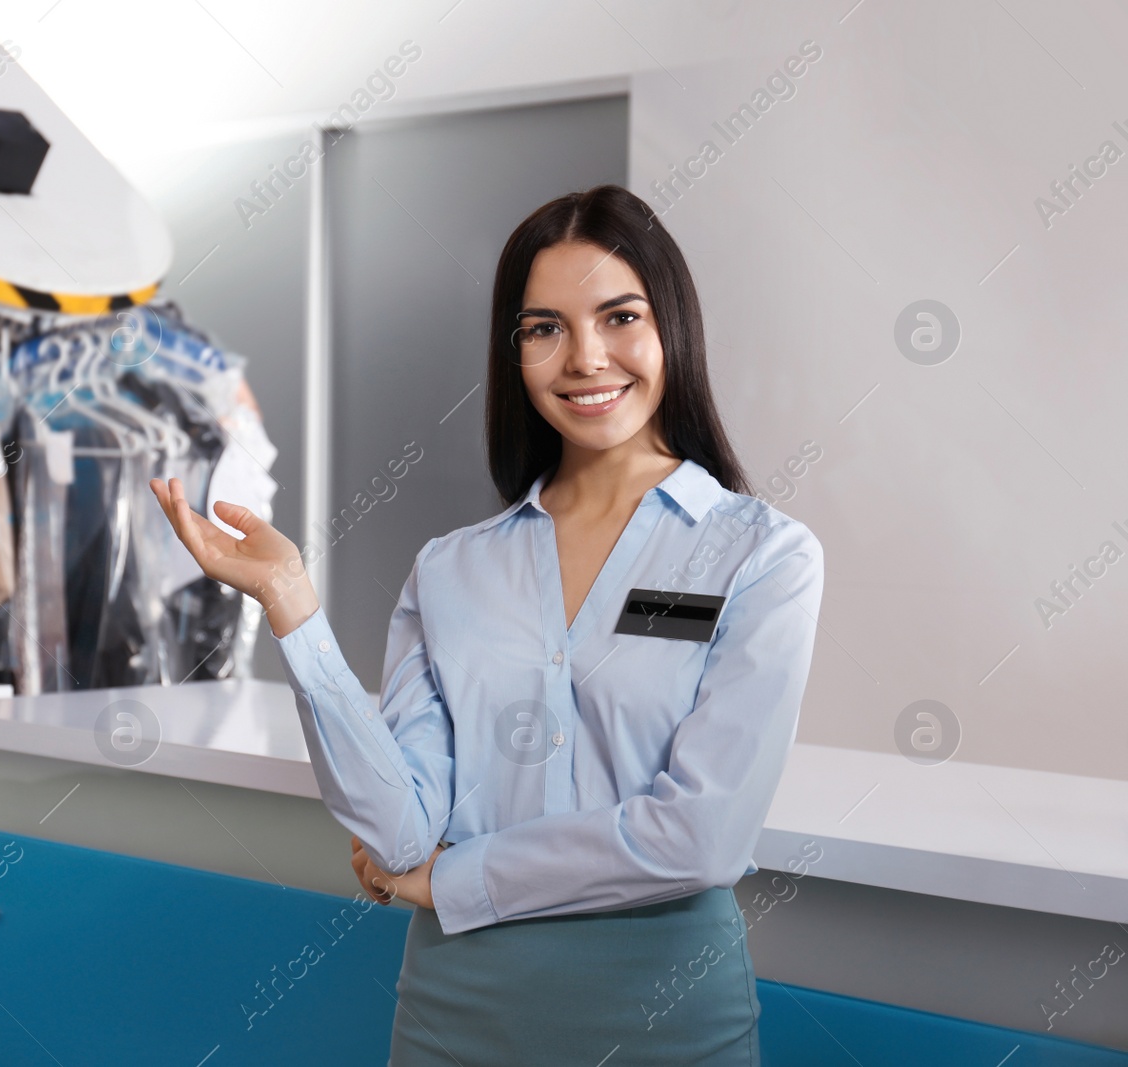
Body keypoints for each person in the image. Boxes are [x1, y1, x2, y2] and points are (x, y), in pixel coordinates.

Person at [150, 184, 823, 1066]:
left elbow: (701, 838)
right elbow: (397, 831)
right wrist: (292, 606)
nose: (585, 357)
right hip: (455, 1015)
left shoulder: (761, 556)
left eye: (619, 316)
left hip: (665, 1020)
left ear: (673, 330)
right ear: (516, 354)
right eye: (545, 328)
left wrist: (457, 877)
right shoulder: (452, 567)